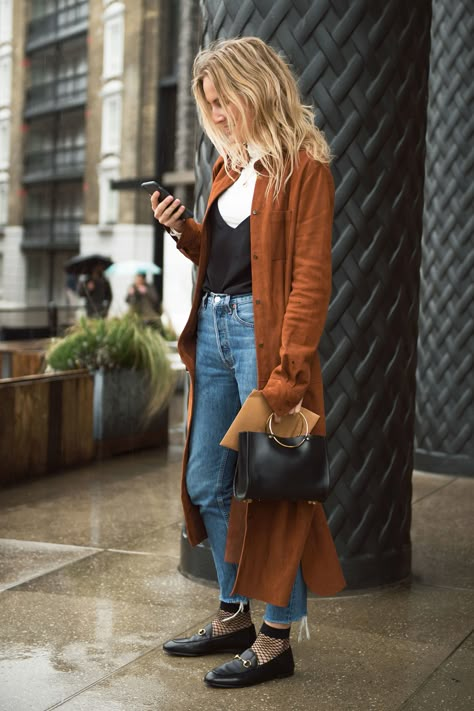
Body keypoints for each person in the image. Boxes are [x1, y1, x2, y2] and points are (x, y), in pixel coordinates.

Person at [151, 36, 345, 689]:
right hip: (212, 329)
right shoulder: (227, 168)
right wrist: (184, 231)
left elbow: (310, 278)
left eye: (221, 99)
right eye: (208, 104)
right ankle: (233, 613)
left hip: (267, 346)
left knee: (275, 492)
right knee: (208, 481)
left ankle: (275, 638)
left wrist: (289, 372)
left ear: (253, 86)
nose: (217, 112)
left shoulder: (305, 169)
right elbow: (228, 255)